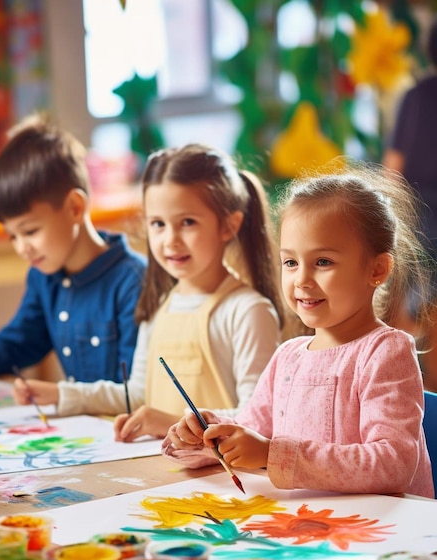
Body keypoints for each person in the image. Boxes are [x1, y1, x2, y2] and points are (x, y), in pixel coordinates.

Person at [162, 162, 435, 498]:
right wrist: (206, 433)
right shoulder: (288, 357)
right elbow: (253, 429)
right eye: (290, 262)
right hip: (310, 530)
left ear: (377, 269)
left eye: (323, 262)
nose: (302, 280)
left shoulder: (385, 352)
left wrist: (270, 454)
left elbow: (393, 464)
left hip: (379, 537)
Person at [13, 143, 284, 440]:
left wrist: (170, 423)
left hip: (218, 481)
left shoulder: (248, 311)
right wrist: (61, 394)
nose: (170, 240)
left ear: (229, 226)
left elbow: (257, 417)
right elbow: (138, 394)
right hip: (159, 472)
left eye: (188, 223)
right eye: (158, 224)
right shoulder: (159, 305)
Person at [0, 113, 146, 383]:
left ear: (74, 207)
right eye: (12, 236)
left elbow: (135, 390)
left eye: (30, 231)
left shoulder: (133, 282)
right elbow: (20, 343)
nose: (22, 248)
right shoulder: (44, 277)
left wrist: (62, 397)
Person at [382, 19, 437, 392]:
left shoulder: (417, 95)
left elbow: (393, 169)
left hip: (419, 220)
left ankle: (420, 388)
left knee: (420, 310)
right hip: (425, 218)